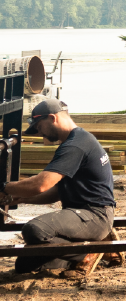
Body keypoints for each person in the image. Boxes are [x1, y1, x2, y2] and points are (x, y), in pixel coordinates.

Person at [0, 98, 116, 276]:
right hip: (85, 215)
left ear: (52, 118)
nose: (40, 133)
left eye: (39, 127)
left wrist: (5, 187)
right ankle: (83, 252)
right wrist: (23, 198)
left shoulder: (75, 145)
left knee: (35, 229)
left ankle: (93, 249)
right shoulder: (77, 140)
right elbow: (56, 192)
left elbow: (40, 184)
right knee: (25, 264)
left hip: (95, 215)